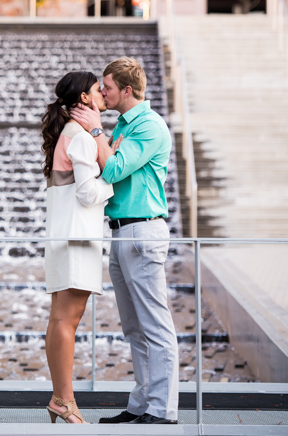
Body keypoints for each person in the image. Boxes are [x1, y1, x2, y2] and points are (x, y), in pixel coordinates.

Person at [71, 57, 179, 425]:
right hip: (121, 231)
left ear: (127, 90)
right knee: (134, 327)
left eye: (107, 88)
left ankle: (162, 410)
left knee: (155, 324)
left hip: (143, 231)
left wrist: (96, 132)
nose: (102, 93)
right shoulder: (125, 125)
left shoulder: (148, 126)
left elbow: (114, 168)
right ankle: (141, 406)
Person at [40, 71, 120, 424]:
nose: (102, 94)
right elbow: (89, 193)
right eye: (96, 90)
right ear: (85, 99)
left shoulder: (66, 134)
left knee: (58, 319)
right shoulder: (83, 139)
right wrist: (113, 181)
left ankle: (60, 398)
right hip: (78, 240)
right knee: (67, 322)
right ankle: (65, 401)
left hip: (60, 238)